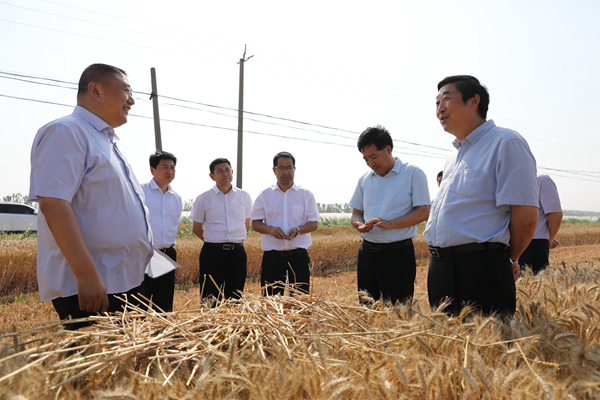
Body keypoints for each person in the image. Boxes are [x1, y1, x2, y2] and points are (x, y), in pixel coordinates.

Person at [29, 63, 152, 330]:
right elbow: (53, 204)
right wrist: (86, 275)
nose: (131, 101)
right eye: (126, 91)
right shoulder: (66, 131)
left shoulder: (105, 141)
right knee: (94, 356)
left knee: (123, 357)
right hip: (92, 284)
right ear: (95, 90)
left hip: (121, 279)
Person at [424, 75, 539, 318]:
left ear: (474, 101)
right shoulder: (453, 157)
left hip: (480, 268)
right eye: (436, 103)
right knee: (444, 341)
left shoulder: (506, 142)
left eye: (446, 99)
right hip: (440, 268)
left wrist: (507, 259)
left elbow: (526, 216)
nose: (440, 108)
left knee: (489, 341)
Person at [349, 125, 430, 305]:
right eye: (366, 159)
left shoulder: (413, 173)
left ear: (388, 149)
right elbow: (356, 213)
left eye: (374, 157)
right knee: (367, 310)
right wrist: (359, 224)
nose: (370, 163)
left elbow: (424, 212)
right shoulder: (364, 179)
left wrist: (391, 223)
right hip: (367, 254)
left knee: (398, 312)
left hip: (398, 255)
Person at [251, 152, 320, 296]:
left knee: (300, 302)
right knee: (271, 302)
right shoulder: (264, 195)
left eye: (289, 167)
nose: (286, 171)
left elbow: (314, 224)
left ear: (295, 169)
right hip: (272, 257)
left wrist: (298, 230)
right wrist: (270, 229)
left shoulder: (306, 195)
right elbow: (255, 224)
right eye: (281, 168)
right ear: (274, 170)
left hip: (299, 256)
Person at [191, 158, 253, 304]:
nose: (225, 173)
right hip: (212, 254)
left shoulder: (244, 196)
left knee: (236, 297)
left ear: (232, 172)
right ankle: (209, 319)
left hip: (237, 252)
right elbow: (196, 228)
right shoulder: (203, 198)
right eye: (220, 171)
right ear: (212, 176)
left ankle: (234, 319)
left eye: (227, 170)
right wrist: (214, 241)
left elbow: (246, 225)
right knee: (210, 297)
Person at [141, 151, 182, 312]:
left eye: (172, 167)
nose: (169, 171)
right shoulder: (140, 192)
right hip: (144, 255)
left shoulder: (176, 198)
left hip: (167, 254)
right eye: (165, 167)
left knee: (164, 306)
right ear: (152, 170)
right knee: (140, 304)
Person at [519, 174, 563, 274]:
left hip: (534, 244)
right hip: (515, 244)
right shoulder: (514, 182)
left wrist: (549, 239)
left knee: (533, 280)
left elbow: (556, 214)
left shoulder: (542, 180)